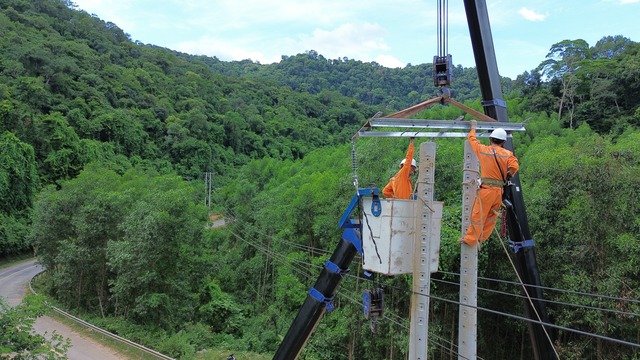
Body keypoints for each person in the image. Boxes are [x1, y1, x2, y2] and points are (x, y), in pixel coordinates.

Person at [460, 120, 519, 248]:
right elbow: (514, 166)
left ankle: (470, 239)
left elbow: (472, 139)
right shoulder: (508, 154)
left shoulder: (483, 150)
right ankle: (482, 238)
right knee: (492, 216)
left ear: (491, 139)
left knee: (478, 214)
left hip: (486, 190)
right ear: (503, 142)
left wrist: (473, 128)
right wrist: (508, 173)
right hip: (499, 192)